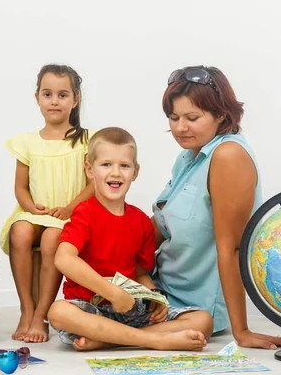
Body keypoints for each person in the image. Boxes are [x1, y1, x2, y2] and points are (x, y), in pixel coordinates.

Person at [151, 66, 281, 350]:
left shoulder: (227, 155)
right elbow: (160, 226)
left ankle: (120, 336)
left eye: (192, 118)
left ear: (221, 114)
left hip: (194, 308)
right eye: (173, 118)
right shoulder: (188, 156)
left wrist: (241, 331)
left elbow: (232, 248)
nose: (180, 127)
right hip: (158, 288)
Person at [47, 127, 213, 352]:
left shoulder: (142, 221)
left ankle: (109, 340)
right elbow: (64, 259)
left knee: (204, 320)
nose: (115, 173)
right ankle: (154, 340)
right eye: (106, 165)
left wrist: (154, 297)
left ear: (135, 172)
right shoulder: (84, 213)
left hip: (130, 308)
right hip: (90, 311)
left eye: (124, 166)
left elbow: (140, 273)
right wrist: (112, 293)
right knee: (58, 312)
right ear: (89, 169)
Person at [0, 64, 95, 343]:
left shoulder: (86, 140)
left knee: (54, 237)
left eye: (63, 95)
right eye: (48, 94)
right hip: (34, 211)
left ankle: (42, 313)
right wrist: (30, 208)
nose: (55, 101)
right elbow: (20, 187)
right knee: (20, 231)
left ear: (75, 99)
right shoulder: (27, 142)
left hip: (67, 214)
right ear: (37, 98)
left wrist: (69, 208)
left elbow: (93, 184)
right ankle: (26, 309)